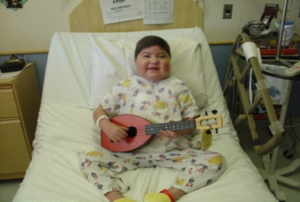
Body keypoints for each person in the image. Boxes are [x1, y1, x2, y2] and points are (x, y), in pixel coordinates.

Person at [79, 36, 226, 202]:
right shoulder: (126, 85)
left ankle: (168, 196)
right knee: (87, 159)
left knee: (216, 160)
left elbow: (193, 121)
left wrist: (179, 130)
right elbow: (100, 110)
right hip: (130, 152)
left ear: (170, 60)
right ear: (136, 61)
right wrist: (106, 125)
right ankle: (117, 198)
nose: (154, 60)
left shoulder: (178, 86)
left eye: (161, 56)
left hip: (171, 151)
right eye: (146, 55)